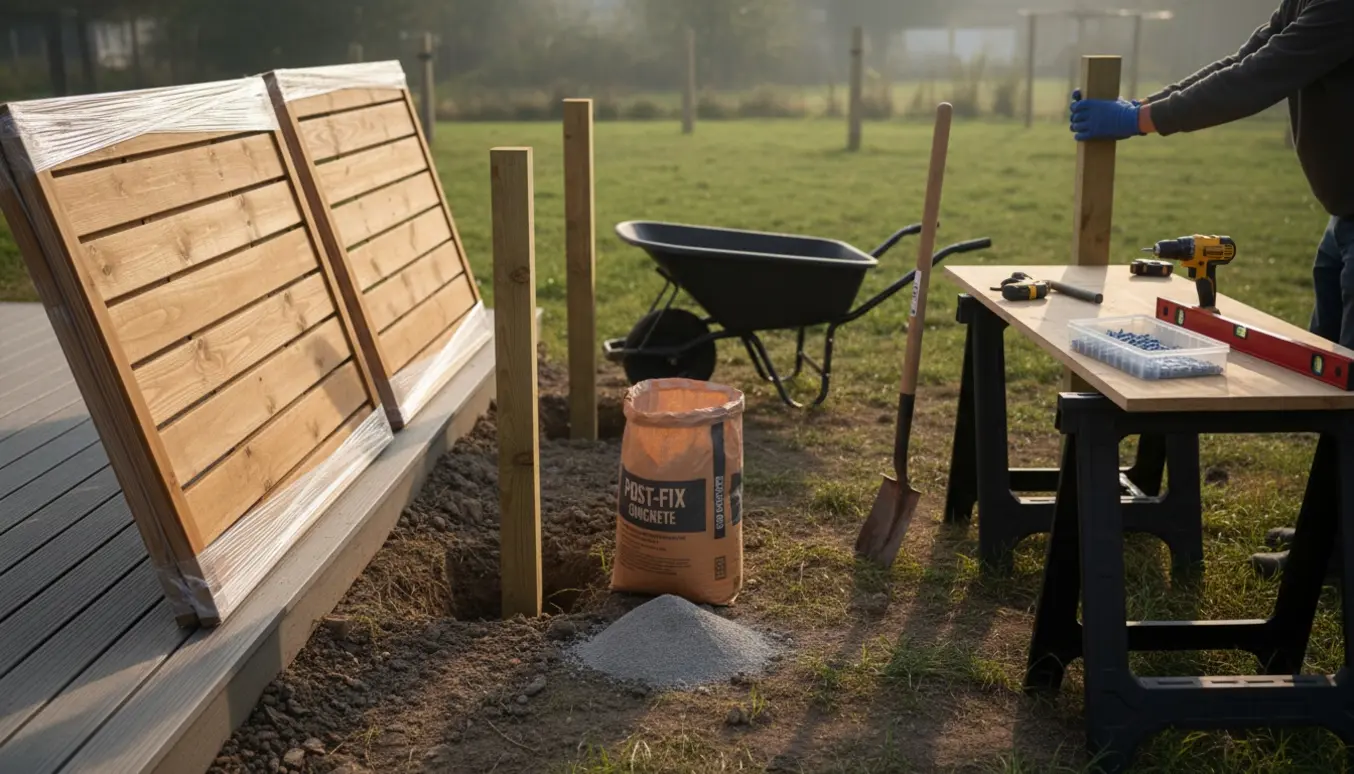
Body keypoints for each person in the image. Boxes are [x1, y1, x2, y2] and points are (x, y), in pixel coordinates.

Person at [1068, 0, 1354, 579]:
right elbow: (1243, 58)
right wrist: (1142, 109)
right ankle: (1331, 529)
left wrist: (1141, 120)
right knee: (1336, 386)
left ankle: (1336, 553)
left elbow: (1258, 79)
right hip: (1344, 220)